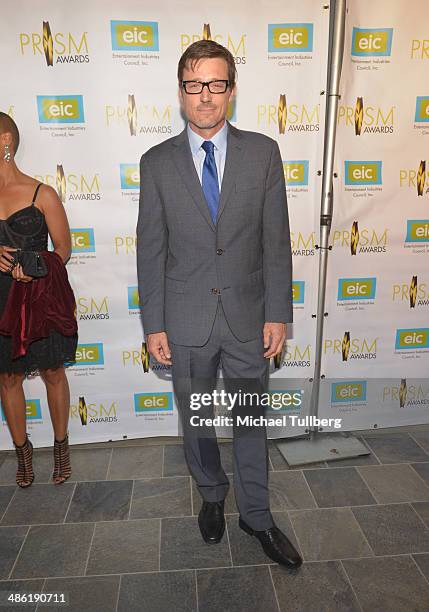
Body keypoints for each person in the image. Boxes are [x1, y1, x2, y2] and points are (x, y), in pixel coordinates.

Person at [137, 40, 302, 568]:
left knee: (251, 422)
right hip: (184, 321)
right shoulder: (156, 162)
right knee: (197, 420)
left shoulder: (263, 152)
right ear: (181, 90)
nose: (204, 96)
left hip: (250, 317)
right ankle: (211, 492)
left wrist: (278, 312)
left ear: (231, 89)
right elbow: (151, 246)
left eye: (215, 84)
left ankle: (257, 516)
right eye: (194, 84)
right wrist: (154, 323)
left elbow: (276, 240)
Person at [0, 112, 77, 488]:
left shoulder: (42, 193)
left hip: (40, 298)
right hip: (1, 302)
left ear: (5, 142)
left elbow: (63, 248)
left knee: (51, 372)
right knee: (8, 378)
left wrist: (36, 265)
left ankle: (61, 448)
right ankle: (23, 453)